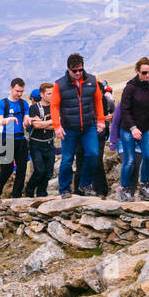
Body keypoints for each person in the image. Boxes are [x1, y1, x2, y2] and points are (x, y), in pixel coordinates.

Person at [52, 53, 106, 197]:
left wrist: (101, 120)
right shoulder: (60, 84)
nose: (77, 73)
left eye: (80, 70)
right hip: (69, 128)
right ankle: (64, 189)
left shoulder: (92, 80)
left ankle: (85, 184)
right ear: (68, 69)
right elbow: (54, 106)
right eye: (74, 70)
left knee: (93, 154)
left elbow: (98, 101)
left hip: (88, 126)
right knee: (67, 160)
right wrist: (57, 126)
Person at [116, 57, 149, 201]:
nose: (147, 76)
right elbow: (124, 110)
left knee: (147, 157)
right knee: (130, 160)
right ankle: (125, 188)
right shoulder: (130, 87)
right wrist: (133, 128)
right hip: (128, 129)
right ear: (137, 71)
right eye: (144, 73)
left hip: (146, 128)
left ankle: (145, 186)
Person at [0, 78, 30, 200]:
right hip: (7, 139)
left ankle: (16, 196)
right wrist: (9, 120)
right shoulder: (3, 103)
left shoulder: (24, 104)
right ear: (11, 88)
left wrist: (28, 121)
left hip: (21, 139)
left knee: (22, 169)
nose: (19, 94)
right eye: (17, 91)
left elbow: (26, 118)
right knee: (6, 168)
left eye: (21, 91)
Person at [25, 82, 57, 197]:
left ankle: (41, 193)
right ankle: (29, 189)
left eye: (53, 93)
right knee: (39, 170)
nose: (52, 96)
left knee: (48, 172)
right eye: (49, 93)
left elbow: (57, 125)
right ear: (42, 94)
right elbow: (36, 126)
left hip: (49, 143)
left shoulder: (55, 107)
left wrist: (43, 123)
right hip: (36, 144)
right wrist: (50, 121)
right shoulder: (34, 108)